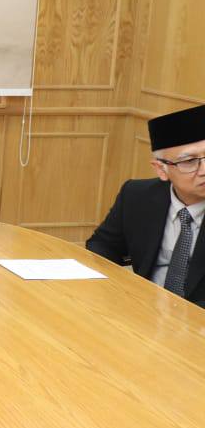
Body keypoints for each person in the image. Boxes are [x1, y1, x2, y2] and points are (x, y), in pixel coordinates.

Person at [88, 104, 205, 306]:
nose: (203, 170)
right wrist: (118, 290)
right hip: (143, 307)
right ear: (161, 169)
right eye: (189, 161)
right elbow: (102, 246)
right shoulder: (136, 195)